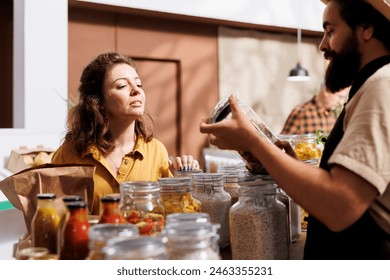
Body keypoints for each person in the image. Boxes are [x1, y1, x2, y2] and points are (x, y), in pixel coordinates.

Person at [200, 0, 390, 259]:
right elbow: (340, 189)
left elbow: (341, 205)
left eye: (331, 31)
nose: (323, 44)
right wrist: (290, 162)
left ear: (366, 29)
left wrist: (255, 142)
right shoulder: (372, 85)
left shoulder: (382, 86)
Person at [52, 52, 199, 214]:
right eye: (122, 86)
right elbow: (53, 215)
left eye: (139, 85)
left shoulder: (157, 151)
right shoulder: (69, 154)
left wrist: (185, 177)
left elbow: (173, 212)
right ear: (98, 101)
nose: (136, 90)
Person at [281, 83, 349, 135]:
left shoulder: (332, 115)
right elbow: (283, 144)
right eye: (340, 97)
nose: (341, 102)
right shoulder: (301, 112)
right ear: (327, 91)